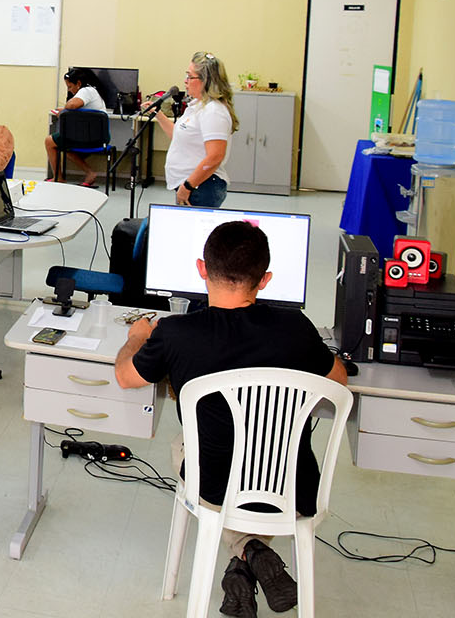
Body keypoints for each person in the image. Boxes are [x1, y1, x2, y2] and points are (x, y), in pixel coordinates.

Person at [115, 220, 347, 617]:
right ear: (267, 279)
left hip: (217, 485)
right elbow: (339, 382)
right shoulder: (296, 328)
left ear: (202, 269)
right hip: (295, 485)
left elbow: (125, 377)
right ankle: (250, 556)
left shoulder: (175, 333)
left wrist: (137, 337)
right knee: (262, 464)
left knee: (183, 445)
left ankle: (248, 552)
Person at [158, 51, 237, 209]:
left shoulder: (213, 111)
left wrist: (188, 186)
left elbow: (215, 156)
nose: (185, 81)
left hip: (201, 186)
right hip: (193, 185)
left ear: (205, 81)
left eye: (190, 76)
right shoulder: (197, 106)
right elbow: (179, 137)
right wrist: (158, 115)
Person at [44, 67, 107, 187]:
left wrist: (65, 109)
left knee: (49, 141)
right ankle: (90, 172)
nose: (70, 90)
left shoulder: (86, 91)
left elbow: (72, 104)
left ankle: (58, 177)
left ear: (78, 83)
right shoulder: (92, 91)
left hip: (87, 137)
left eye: (70, 87)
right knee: (64, 143)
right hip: (97, 137)